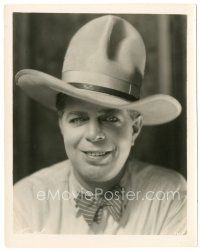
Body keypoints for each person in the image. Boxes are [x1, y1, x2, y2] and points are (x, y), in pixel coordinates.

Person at [14, 15, 186, 234]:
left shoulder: (170, 197)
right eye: (78, 119)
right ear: (61, 125)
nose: (94, 134)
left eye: (110, 118)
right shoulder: (24, 202)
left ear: (134, 128)